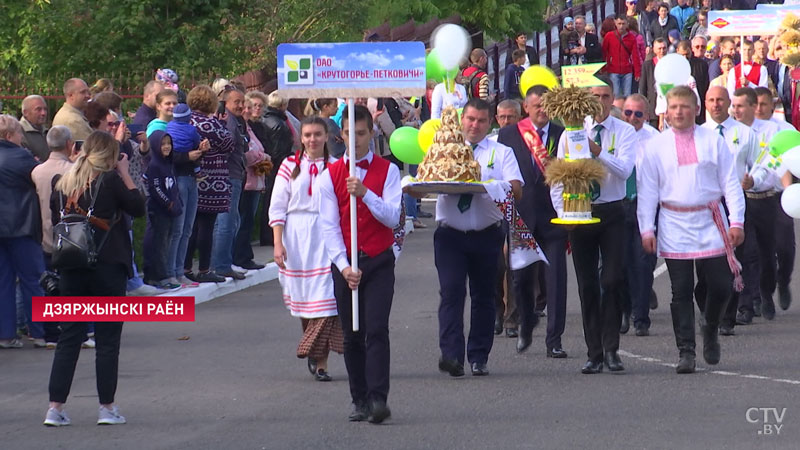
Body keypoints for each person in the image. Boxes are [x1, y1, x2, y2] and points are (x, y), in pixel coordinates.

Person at [638, 86, 744, 374]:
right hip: (674, 223)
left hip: (710, 221)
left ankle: (710, 326)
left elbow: (731, 183)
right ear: (666, 111)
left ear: (696, 109)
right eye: (673, 107)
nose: (679, 112)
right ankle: (686, 351)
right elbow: (647, 191)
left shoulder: (713, 141)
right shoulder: (655, 147)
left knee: (722, 285)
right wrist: (647, 229)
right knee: (680, 291)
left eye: (685, 107)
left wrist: (737, 222)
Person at [44, 131, 146, 426]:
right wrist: (126, 173)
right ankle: (107, 407)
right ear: (110, 156)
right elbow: (138, 208)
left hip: (71, 267)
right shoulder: (111, 181)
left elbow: (55, 218)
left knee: (69, 337)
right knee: (107, 340)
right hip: (108, 267)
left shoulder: (61, 183)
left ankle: (55, 407)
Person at [318, 104, 401, 424]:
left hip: (378, 260)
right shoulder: (331, 175)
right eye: (350, 134)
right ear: (341, 134)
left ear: (372, 134)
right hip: (346, 264)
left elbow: (392, 217)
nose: (356, 140)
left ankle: (379, 398)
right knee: (353, 333)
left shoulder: (389, 171)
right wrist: (343, 266)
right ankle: (360, 398)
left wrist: (365, 193)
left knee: (376, 329)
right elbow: (329, 226)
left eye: (363, 134)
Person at [550, 76, 636, 374]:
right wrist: (564, 213)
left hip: (612, 211)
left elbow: (625, 171)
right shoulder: (569, 134)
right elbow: (558, 177)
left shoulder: (624, 131)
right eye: (594, 96)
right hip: (581, 212)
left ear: (613, 100)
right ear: (586, 100)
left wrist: (596, 150)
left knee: (611, 280)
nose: (599, 102)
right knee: (587, 284)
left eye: (605, 96)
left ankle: (612, 348)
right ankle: (594, 352)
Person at [435, 99, 523, 378]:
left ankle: (478, 356)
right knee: (451, 292)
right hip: (450, 234)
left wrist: (492, 187)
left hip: (487, 234)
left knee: (484, 295)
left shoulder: (502, 152)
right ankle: (451, 355)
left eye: (481, 121)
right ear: (462, 119)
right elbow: (421, 183)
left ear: (490, 123)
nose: (474, 125)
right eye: (470, 119)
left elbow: (517, 190)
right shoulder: (444, 148)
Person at [270, 116, 343, 381]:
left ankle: (320, 359)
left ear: (326, 137)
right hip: (297, 235)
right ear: (301, 138)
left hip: (326, 234)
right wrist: (278, 243)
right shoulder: (289, 166)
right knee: (304, 302)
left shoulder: (336, 166)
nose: (313, 139)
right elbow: (277, 206)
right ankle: (312, 346)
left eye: (318, 134)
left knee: (327, 298)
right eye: (308, 135)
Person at [498, 86, 568, 357]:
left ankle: (555, 340)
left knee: (556, 280)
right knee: (521, 280)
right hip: (521, 217)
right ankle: (525, 325)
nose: (542, 109)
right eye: (536, 105)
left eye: (546, 105)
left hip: (553, 217)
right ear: (525, 108)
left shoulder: (562, 134)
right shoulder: (507, 135)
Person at [730, 87, 781, 324]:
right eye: (734, 105)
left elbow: (770, 163)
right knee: (746, 252)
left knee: (768, 255)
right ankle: (746, 305)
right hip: (742, 200)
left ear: (753, 107)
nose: (736, 110)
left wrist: (755, 180)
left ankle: (766, 293)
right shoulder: (730, 131)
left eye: (741, 106)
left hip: (767, 199)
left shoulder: (771, 131)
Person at [0, 115, 46, 349]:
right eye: (20, 134)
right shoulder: (22, 158)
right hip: (21, 226)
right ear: (10, 135)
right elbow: (39, 180)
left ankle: (6, 335)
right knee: (32, 280)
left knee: (3, 281)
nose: (22, 138)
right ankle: (38, 332)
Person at [31, 126, 76, 347]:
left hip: (44, 236)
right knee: (71, 285)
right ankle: (73, 329)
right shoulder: (74, 170)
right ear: (69, 145)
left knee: (47, 284)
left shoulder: (37, 171)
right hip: (70, 238)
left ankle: (49, 332)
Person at [184, 85, 234, 283]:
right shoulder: (210, 124)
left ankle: (186, 267)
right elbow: (228, 143)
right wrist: (222, 125)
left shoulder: (186, 121)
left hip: (192, 177)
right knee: (206, 227)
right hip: (212, 181)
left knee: (190, 227)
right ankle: (204, 269)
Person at [620, 94, 659, 336]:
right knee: (621, 263)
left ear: (646, 116)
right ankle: (624, 309)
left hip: (646, 205)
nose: (632, 118)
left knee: (644, 263)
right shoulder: (614, 134)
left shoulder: (655, 138)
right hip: (619, 204)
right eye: (628, 113)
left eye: (638, 114)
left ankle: (641, 317)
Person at [754, 87, 795, 312]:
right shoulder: (748, 129)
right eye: (756, 104)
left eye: (764, 104)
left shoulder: (785, 129)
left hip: (782, 195)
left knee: (785, 247)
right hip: (758, 196)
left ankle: (784, 281)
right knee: (763, 250)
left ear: (773, 105)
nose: (759, 109)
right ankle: (764, 293)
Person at [210, 87, 248, 280]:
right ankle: (221, 264)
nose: (241, 105)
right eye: (237, 102)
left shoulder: (236, 121)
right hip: (228, 175)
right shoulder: (228, 121)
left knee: (232, 221)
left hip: (234, 173)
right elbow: (229, 144)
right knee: (226, 222)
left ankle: (223, 261)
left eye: (242, 102)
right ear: (226, 103)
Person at [142, 131, 183, 289]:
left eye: (169, 143)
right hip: (158, 211)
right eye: (163, 144)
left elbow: (172, 186)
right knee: (157, 244)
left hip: (169, 212)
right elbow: (155, 187)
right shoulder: (154, 165)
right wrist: (168, 203)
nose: (167, 147)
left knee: (165, 243)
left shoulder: (168, 164)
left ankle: (162, 274)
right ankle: (156, 276)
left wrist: (177, 202)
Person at [233, 96, 270, 271]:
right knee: (243, 221)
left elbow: (257, 148)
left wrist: (262, 156)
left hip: (255, 180)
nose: (247, 110)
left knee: (247, 221)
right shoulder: (240, 127)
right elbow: (248, 154)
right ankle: (240, 257)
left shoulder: (248, 127)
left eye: (249, 107)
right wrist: (264, 157)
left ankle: (245, 256)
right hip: (247, 180)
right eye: (245, 107)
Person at [260, 91, 296, 246]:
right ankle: (270, 236)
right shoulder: (279, 124)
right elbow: (279, 150)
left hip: (271, 165)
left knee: (269, 202)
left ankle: (266, 235)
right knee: (275, 202)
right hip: (278, 165)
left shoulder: (267, 119)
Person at [603, 16, 642, 97]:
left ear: (627, 24)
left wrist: (637, 72)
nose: (621, 26)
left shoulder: (631, 37)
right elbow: (604, 52)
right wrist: (604, 68)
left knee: (627, 95)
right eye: (619, 24)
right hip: (613, 69)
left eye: (623, 24)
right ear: (615, 24)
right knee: (615, 95)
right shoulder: (609, 36)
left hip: (627, 70)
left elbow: (635, 56)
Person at [639, 37, 668, 125]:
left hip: (668, 109)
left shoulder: (671, 64)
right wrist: (644, 109)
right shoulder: (647, 65)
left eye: (664, 48)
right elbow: (643, 88)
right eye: (659, 48)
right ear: (654, 50)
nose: (662, 51)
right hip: (652, 108)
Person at [20, 95, 50, 161]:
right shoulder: (18, 132)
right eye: (38, 109)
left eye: (45, 109)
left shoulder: (47, 131)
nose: (43, 113)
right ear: (25, 112)